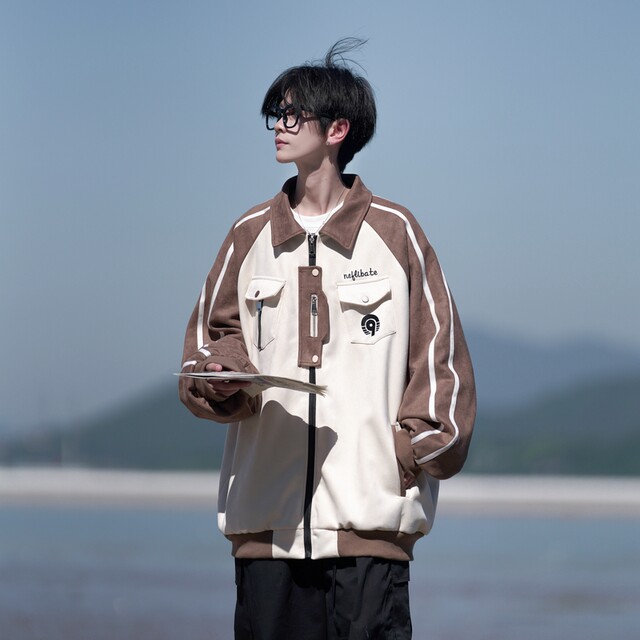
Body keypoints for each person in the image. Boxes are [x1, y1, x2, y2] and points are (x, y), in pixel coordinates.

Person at [179, 38, 476, 640]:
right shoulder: (248, 235)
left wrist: (408, 454)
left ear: (337, 129)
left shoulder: (396, 233)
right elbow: (209, 344)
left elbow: (439, 358)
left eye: (292, 114)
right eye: (276, 114)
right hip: (265, 525)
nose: (278, 126)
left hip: (371, 527)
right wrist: (221, 379)